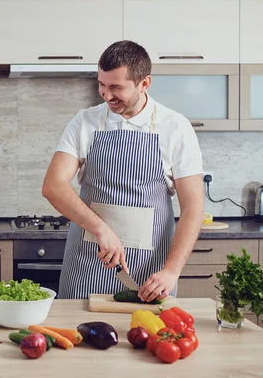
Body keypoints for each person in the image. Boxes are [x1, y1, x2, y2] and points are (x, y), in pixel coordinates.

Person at [42, 40, 204, 303]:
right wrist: (100, 228)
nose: (106, 96)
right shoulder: (85, 121)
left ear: (144, 83)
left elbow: (193, 207)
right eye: (101, 85)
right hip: (87, 263)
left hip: (150, 271)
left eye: (116, 87)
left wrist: (172, 272)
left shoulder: (175, 127)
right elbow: (53, 186)